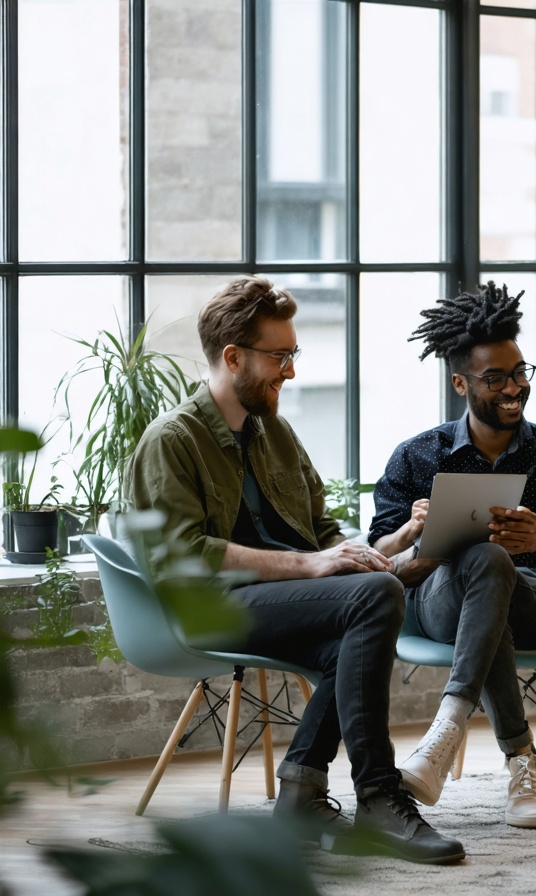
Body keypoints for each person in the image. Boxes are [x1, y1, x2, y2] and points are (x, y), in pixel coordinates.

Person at [129, 275, 464, 865]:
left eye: (293, 355)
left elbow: (325, 537)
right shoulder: (172, 440)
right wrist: (314, 564)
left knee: (360, 625)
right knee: (373, 599)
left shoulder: (276, 434)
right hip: (207, 607)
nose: (290, 371)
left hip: (285, 603)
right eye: (279, 356)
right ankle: (379, 797)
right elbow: (178, 554)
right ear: (233, 357)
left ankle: (304, 792)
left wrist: (394, 544)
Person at [368, 280, 536, 829]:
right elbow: (379, 559)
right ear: (460, 383)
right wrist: (413, 534)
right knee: (484, 562)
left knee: (495, 567)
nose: (513, 388)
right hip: (438, 604)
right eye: (495, 378)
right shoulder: (416, 455)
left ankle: (446, 729)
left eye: (520, 373)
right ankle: (520, 760)